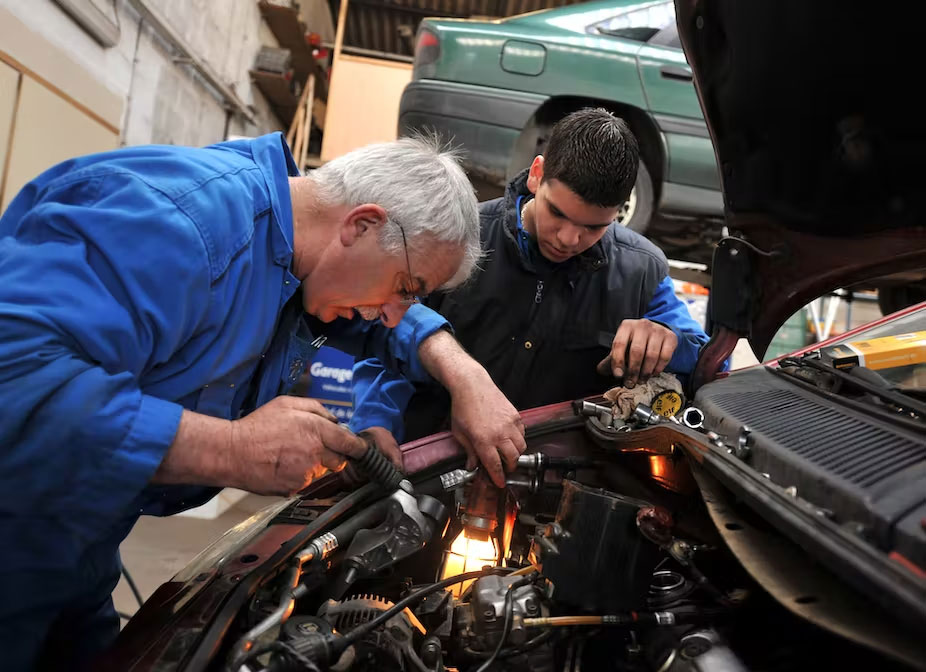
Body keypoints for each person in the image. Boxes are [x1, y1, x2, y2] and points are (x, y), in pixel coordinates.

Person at [0, 132, 518, 669]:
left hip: (82, 544)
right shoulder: (179, 221)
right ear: (362, 224)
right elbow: (15, 378)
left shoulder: (293, 271)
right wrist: (229, 447)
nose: (394, 312)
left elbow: (343, 357)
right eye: (407, 287)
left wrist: (419, 394)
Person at [350, 108, 712, 480]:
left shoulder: (642, 272)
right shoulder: (457, 240)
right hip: (432, 474)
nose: (569, 239)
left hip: (556, 490)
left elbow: (709, 365)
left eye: (593, 227)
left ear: (618, 212)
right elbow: (390, 335)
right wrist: (376, 422)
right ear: (537, 174)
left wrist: (668, 340)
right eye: (558, 214)